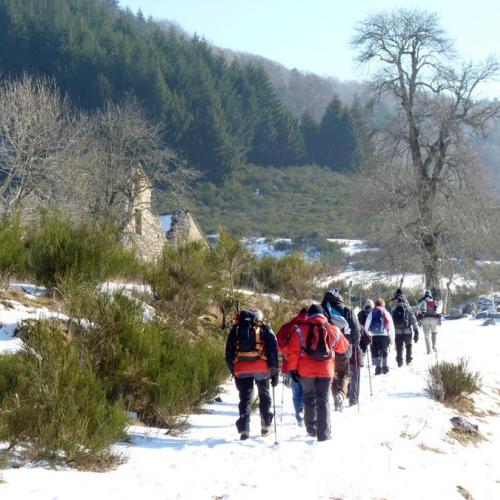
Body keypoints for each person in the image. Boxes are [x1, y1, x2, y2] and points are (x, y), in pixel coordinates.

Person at [286, 304, 349, 441]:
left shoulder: (300, 330)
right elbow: (344, 347)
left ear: (309, 315)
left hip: (306, 370)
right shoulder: (332, 329)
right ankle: (324, 434)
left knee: (309, 398)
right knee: (324, 400)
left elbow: (293, 352)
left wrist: (292, 369)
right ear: (323, 315)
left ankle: (311, 429)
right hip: (326, 371)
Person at [225, 309, 279, 440]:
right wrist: (274, 371)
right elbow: (273, 349)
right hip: (262, 368)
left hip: (242, 368)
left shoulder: (235, 330)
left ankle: (244, 429)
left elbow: (229, 354)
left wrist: (234, 371)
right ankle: (266, 426)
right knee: (264, 395)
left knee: (245, 398)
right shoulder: (264, 328)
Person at [321, 288, 361, 410]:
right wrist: (355, 344)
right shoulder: (347, 310)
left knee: (332, 374)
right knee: (345, 373)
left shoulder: (322, 310)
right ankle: (341, 395)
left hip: (326, 347)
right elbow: (356, 328)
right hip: (344, 346)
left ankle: (335, 398)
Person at [277, 307, 308, 426]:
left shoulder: (289, 325)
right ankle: (302, 409)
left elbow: (279, 343)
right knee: (307, 389)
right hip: (308, 363)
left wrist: (288, 353)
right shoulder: (312, 325)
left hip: (291, 363)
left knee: (296, 391)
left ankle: (298, 414)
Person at [364, 298, 395, 375]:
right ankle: (385, 367)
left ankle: (378, 368)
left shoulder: (372, 312)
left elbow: (367, 325)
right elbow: (391, 326)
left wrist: (367, 334)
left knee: (376, 352)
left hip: (374, 335)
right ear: (383, 304)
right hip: (385, 335)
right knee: (384, 351)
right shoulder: (386, 312)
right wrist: (392, 338)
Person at [390, 288, 419, 367]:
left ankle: (399, 362)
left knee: (399, 347)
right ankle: (408, 361)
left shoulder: (394, 306)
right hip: (407, 331)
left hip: (397, 331)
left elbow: (391, 320)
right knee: (408, 345)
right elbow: (413, 319)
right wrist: (416, 331)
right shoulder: (407, 307)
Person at [417, 289, 443, 354]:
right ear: (430, 294)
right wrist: (439, 320)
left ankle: (428, 350)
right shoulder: (434, 300)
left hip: (424, 319)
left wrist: (419, 321)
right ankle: (434, 346)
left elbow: (418, 311)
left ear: (425, 294)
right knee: (434, 333)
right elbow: (438, 311)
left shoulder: (422, 301)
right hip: (433, 319)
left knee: (427, 335)